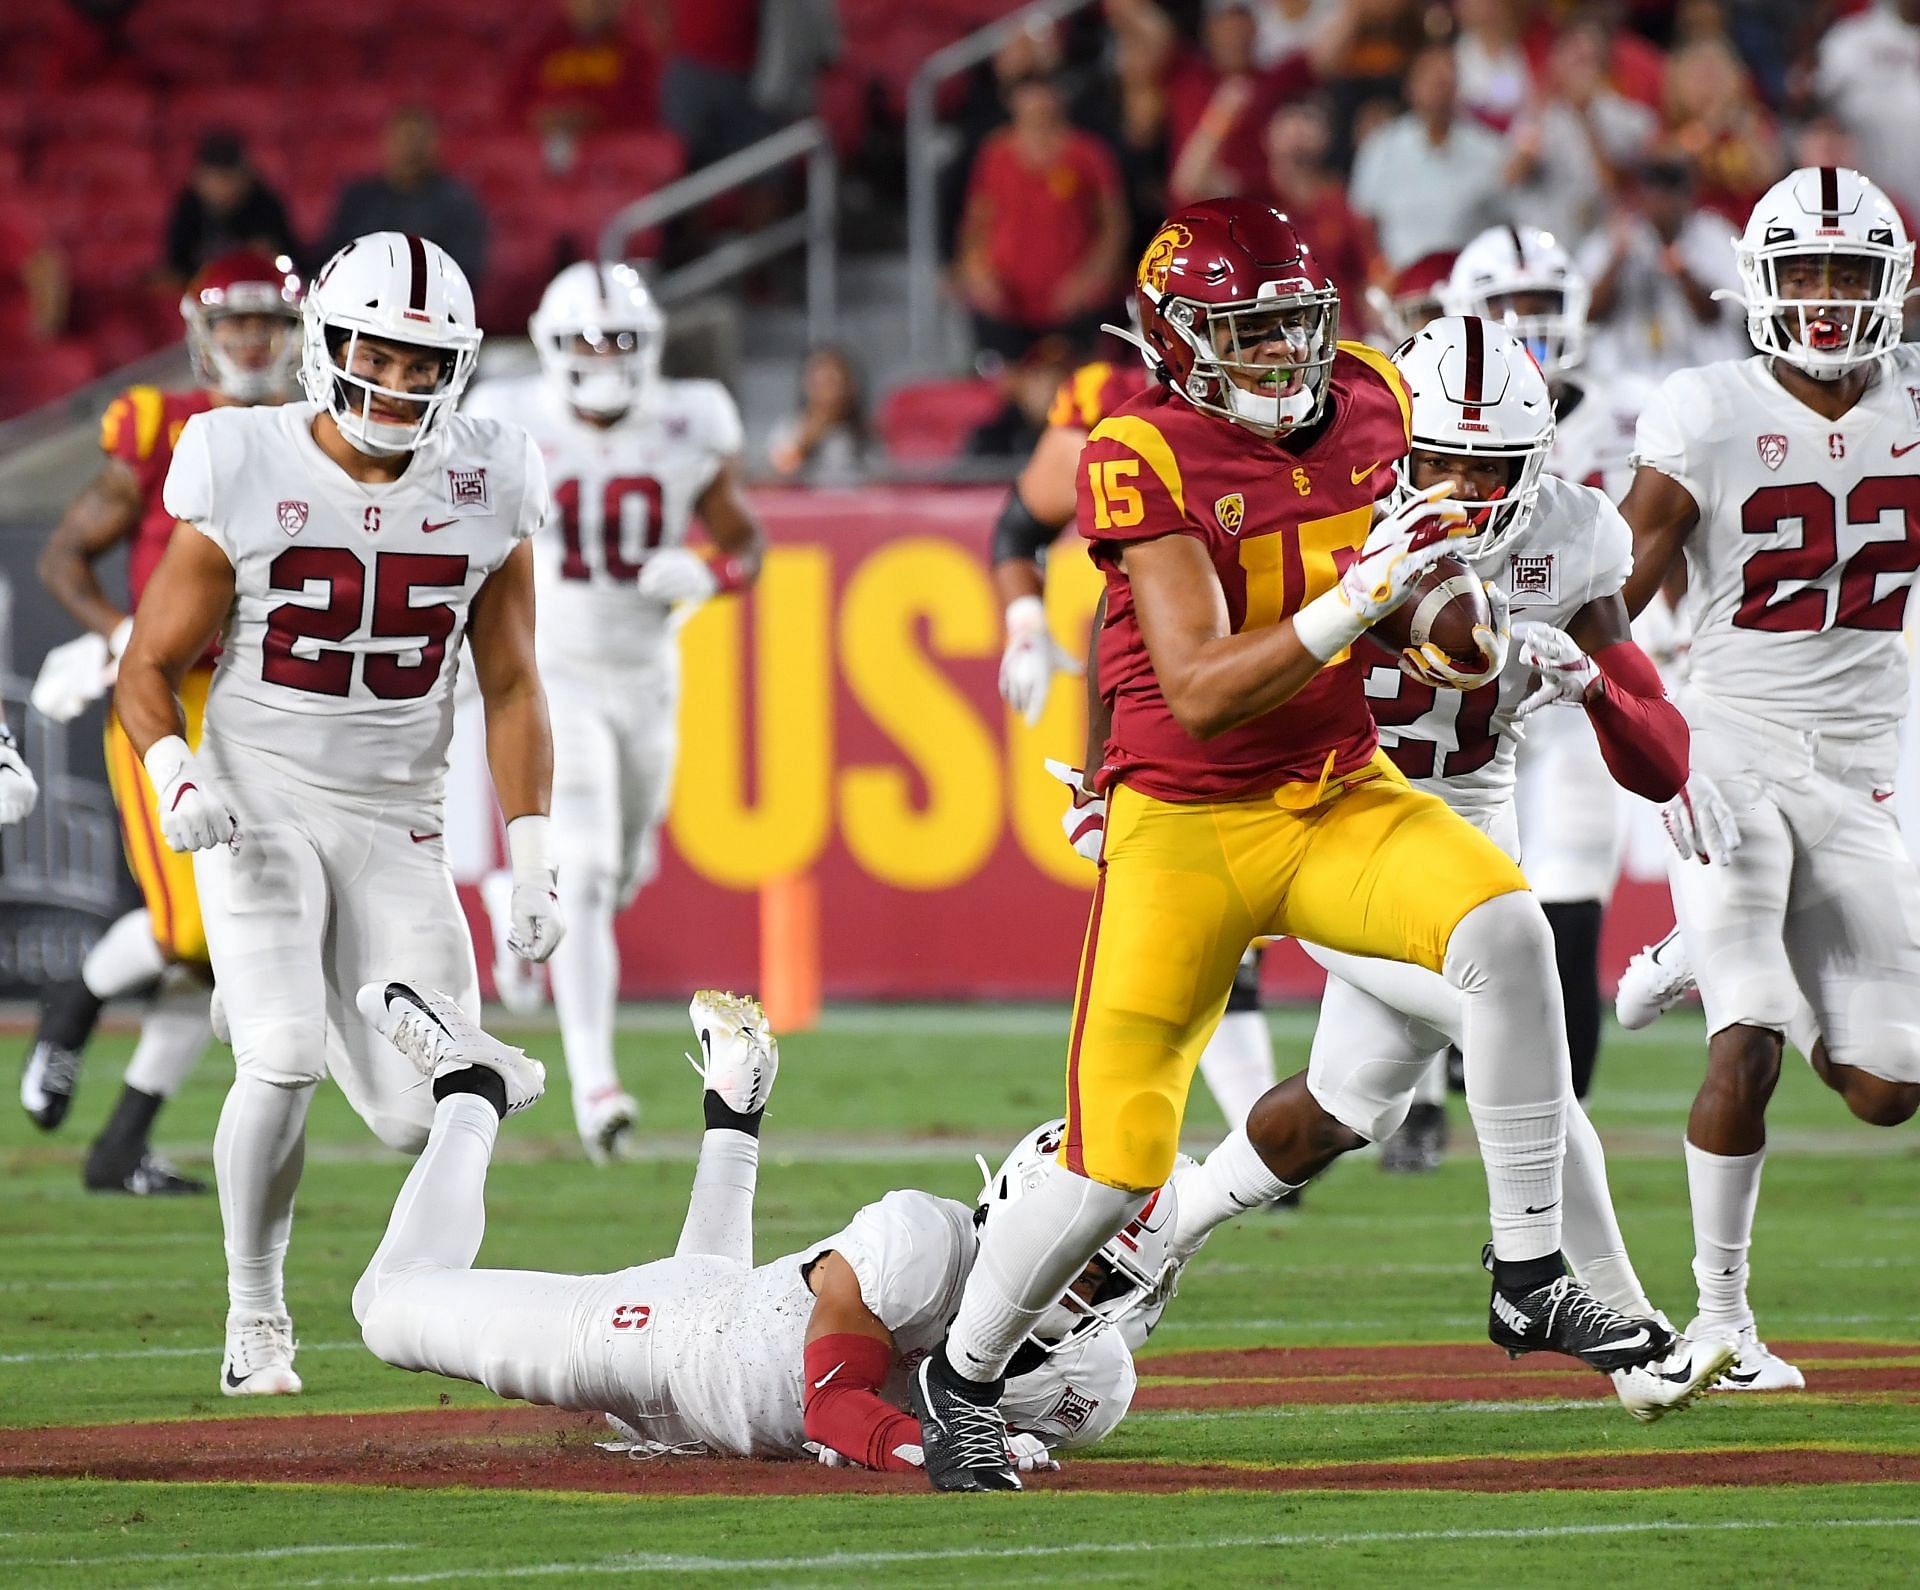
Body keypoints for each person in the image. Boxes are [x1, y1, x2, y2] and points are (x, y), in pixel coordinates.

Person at [910, 199, 1673, 1493]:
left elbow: (1427, 558)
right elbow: (1202, 686)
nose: (1284, 361)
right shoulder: (1138, 449)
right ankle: (966, 1372)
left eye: (1295, 330)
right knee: (1114, 1168)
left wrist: (1455, 617)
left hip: (1336, 793)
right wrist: (1359, 599)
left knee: (1507, 931)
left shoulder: (1377, 395)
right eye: (1250, 338)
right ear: (1179, 342)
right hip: (1188, 824)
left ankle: (1531, 1274)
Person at [1151, 314, 1726, 1421]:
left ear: (1537, 464)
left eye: (1488, 467)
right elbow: (1199, 661)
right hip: (1336, 813)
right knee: (1514, 1027)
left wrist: (1595, 688)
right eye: (1438, 462)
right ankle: (1614, 1331)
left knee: (1339, 1108)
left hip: (1468, 827)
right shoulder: (1317, 511)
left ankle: (1142, 1246)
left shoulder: (1573, 538)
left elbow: (1662, 757)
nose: (1459, 489)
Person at [110, 231, 564, 1397]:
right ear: (329, 344)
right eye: (381, 352)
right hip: (258, 791)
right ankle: (255, 1312)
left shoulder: (490, 470)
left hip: (396, 808)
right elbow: (146, 662)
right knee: (283, 1059)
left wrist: (534, 851)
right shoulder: (240, 455)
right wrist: (176, 773)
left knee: (427, 1121)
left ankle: (312, 983)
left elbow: (511, 681)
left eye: (427, 362)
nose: (402, 382)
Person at [353, 987, 1143, 1470]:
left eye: (1104, 1272)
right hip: (657, 1342)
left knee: (738, 1316)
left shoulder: (1097, 1382)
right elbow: (833, 1408)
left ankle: (733, 1119)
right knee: (385, 1307)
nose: (1077, 1282)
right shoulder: (924, 1242)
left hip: (728, 1339)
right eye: (1074, 1251)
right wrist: (948, 1449)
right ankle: (474, 1085)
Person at [1612, 166, 1920, 1392]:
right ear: (1763, 281)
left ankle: (1699, 955)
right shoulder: (1705, 408)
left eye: (1853, 272)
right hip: (1731, 746)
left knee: (1887, 1091)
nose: (1832, 299)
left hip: (1860, 770)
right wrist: (1589, 692)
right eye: (1809, 272)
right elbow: (1618, 588)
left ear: (1893, 283)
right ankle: (1721, 1320)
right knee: (1746, 1047)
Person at [463, 262, 763, 1162]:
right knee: (588, 875)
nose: (603, 356)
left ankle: (515, 916)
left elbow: (746, 540)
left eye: (620, 340)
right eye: (588, 341)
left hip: (646, 674)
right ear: (552, 349)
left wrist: (712, 572)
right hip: (554, 665)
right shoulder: (510, 415)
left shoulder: (690, 419)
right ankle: (597, 1087)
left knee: (625, 867)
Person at [22, 250, 304, 1197]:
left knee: (238, 948)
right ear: (201, 332)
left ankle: (120, 1147)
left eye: (268, 321)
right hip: (172, 695)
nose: (252, 340)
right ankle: (72, 1007)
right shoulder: (160, 426)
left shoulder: (322, 436)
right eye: (234, 323)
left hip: (275, 705)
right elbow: (66, 557)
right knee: (193, 936)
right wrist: (118, 636)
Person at [990, 338, 1279, 1137]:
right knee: (1196, 916)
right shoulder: (1112, 403)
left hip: (1285, 665)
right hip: (1161, 684)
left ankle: (1292, 1127)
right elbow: (1020, 531)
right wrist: (1021, 623)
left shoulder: (1320, 407)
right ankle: (1249, 1136)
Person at [1447, 224, 1664, 1107]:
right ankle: (1422, 1091)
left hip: (1571, 680)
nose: (1529, 323)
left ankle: (1559, 1108)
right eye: (1509, 306)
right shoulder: (1423, 413)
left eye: (1543, 305)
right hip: (1452, 686)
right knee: (1441, 890)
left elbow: (1660, 545)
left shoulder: (1630, 410)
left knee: (1570, 895)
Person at [956, 73, 1128, 363]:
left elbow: (1115, 226)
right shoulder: (995, 154)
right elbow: (975, 225)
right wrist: (978, 273)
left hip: (1073, 301)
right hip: (1009, 304)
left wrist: (1091, 278)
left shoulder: (1087, 153)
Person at [1578, 157, 1748, 381]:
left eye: (1669, 194)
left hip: (1704, 374)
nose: (1661, 204)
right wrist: (1616, 260)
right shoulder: (1615, 237)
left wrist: (1682, 272)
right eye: (1653, 194)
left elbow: (1719, 315)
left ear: (1687, 197)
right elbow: (1586, 314)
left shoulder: (1714, 234)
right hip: (1625, 381)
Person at [1347, 41, 1508, 272]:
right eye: (1429, 76)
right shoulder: (1381, 148)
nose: (1438, 84)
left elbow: (1505, 224)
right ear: (1409, 86)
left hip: (1468, 279)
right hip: (1400, 282)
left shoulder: (1489, 149)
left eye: (1446, 76)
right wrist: (1377, 274)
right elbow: (1362, 223)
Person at [322, 110, 488, 291]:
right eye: (401, 140)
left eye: (418, 140)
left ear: (435, 144)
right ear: (387, 143)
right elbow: (331, 259)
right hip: (355, 302)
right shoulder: (359, 199)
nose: (410, 149)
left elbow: (462, 275)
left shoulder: (458, 205)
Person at [162, 131, 298, 288]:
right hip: (205, 301)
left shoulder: (266, 206)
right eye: (215, 179)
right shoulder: (188, 209)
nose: (222, 188)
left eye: (228, 178)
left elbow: (293, 269)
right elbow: (175, 270)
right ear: (197, 178)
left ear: (246, 177)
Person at [767, 347, 869, 486]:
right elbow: (776, 476)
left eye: (832, 382)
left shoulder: (865, 431)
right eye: (818, 383)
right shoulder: (790, 428)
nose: (825, 392)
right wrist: (806, 441)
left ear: (849, 386)